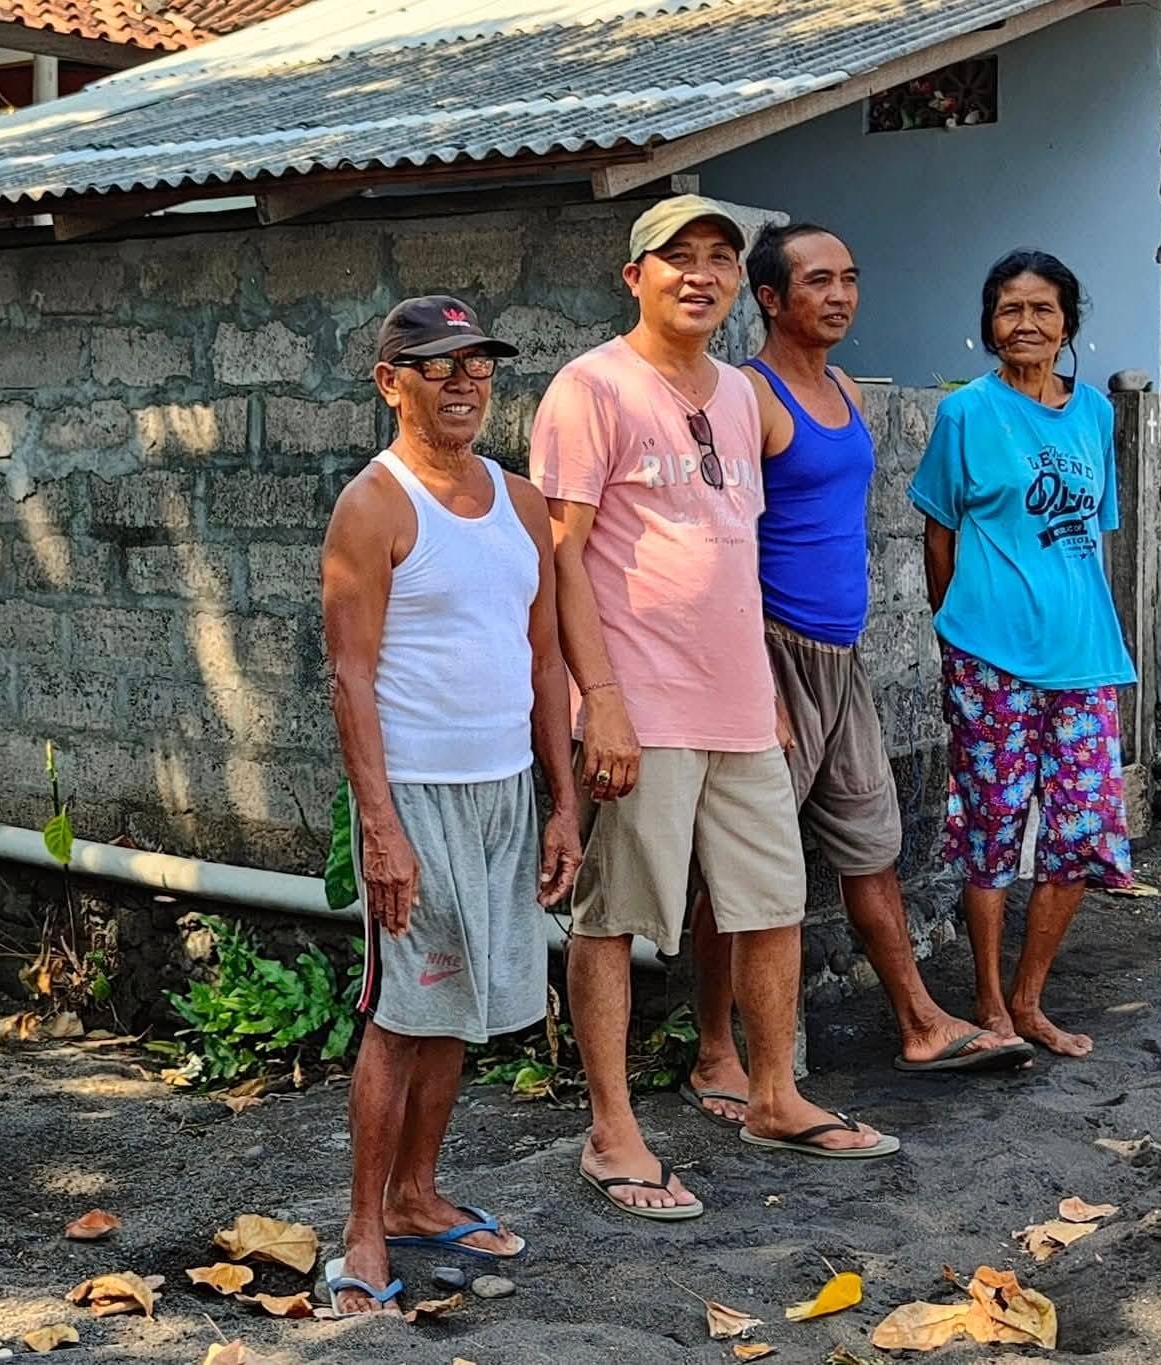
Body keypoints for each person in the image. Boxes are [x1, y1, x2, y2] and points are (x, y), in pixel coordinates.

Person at [532, 196, 898, 1221]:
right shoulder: (590, 388)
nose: (699, 275)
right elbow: (560, 561)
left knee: (772, 901)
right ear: (634, 276)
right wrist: (596, 698)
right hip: (638, 706)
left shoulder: (740, 396)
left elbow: (736, 554)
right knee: (613, 920)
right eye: (676, 258)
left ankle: (774, 1094)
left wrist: (765, 696)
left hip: (743, 702)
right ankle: (610, 1132)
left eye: (717, 261)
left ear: (737, 283)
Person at [679, 225, 1035, 1120]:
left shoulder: (842, 389)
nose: (840, 295)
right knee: (734, 872)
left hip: (842, 659)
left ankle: (919, 1019)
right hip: (772, 654)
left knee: (871, 849)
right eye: (818, 281)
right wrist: (756, 673)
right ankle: (717, 1050)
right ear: (768, 297)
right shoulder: (748, 398)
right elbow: (722, 549)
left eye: (850, 278)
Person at [320, 295, 582, 1313]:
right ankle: (360, 1230)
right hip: (415, 795)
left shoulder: (520, 503)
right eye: (437, 368)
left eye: (476, 365)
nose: (464, 382)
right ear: (391, 384)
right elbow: (349, 675)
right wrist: (378, 826)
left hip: (504, 792)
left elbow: (544, 655)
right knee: (401, 1011)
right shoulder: (374, 506)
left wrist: (562, 803)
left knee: (460, 1006)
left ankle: (419, 1195)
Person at [907, 250, 1136, 1059]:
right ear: (988, 325)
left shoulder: (1095, 417)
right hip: (988, 654)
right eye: (1010, 310)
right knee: (992, 827)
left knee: (1079, 828)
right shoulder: (966, 415)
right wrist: (954, 626)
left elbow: (1087, 537)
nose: (1026, 324)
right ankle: (989, 1001)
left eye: (1042, 309)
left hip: (1082, 653)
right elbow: (938, 530)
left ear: (1067, 323)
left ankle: (1033, 997)